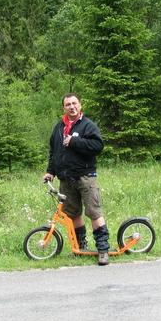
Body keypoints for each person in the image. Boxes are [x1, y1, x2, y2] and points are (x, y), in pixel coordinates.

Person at [43, 93, 110, 266]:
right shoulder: (59, 128)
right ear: (64, 107)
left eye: (74, 103)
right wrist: (50, 171)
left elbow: (98, 146)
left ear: (80, 105)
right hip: (66, 179)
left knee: (94, 212)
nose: (72, 107)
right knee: (73, 214)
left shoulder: (88, 125)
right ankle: (81, 247)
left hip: (86, 177)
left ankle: (103, 250)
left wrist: (74, 141)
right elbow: (54, 152)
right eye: (68, 104)